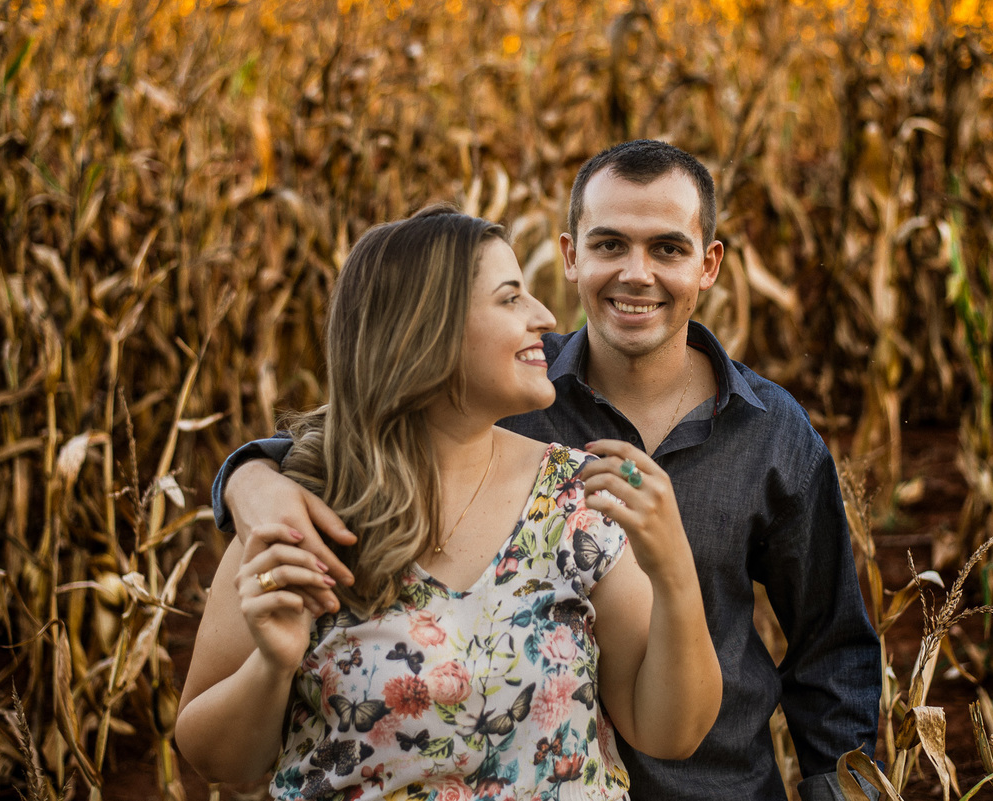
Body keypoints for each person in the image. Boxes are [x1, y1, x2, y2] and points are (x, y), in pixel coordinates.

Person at [211, 141, 882, 800]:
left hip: (713, 782)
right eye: (610, 245)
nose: (636, 273)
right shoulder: (505, 387)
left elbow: (831, 645)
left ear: (708, 266)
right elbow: (361, 427)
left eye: (668, 249)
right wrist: (249, 479)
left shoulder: (772, 434)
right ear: (571, 255)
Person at [176, 206, 722, 800]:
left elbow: (671, 733)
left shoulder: (574, 501)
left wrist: (674, 574)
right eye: (511, 298)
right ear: (424, 331)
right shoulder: (298, 512)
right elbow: (215, 761)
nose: (544, 316)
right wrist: (271, 666)